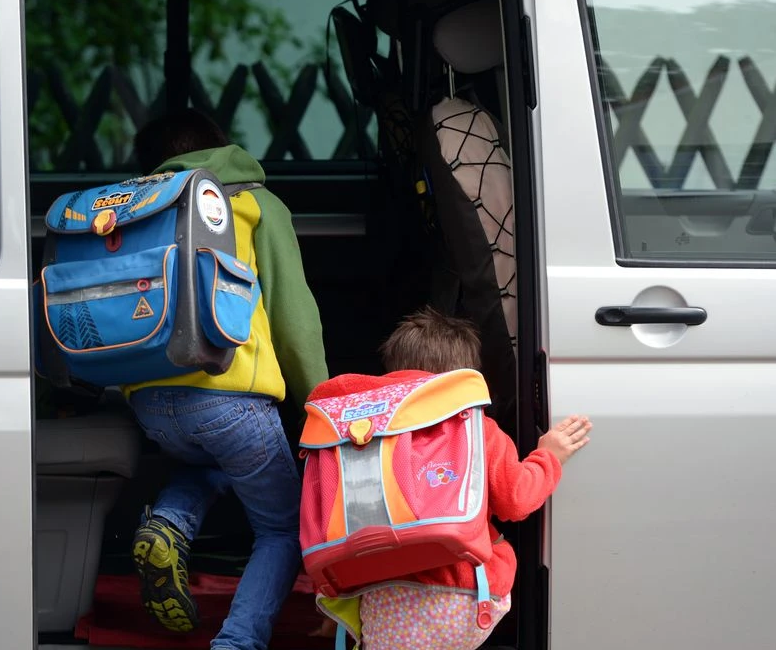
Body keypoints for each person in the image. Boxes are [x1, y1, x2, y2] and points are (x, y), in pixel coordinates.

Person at [124, 108, 329, 650]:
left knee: (215, 463)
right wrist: (322, 403)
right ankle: (238, 641)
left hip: (150, 404)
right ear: (224, 147)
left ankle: (168, 522)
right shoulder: (251, 203)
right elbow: (293, 315)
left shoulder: (132, 207)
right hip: (230, 399)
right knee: (281, 529)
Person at [307, 307, 591, 650]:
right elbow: (516, 499)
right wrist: (549, 455)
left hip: (380, 603)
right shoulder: (475, 430)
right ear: (462, 378)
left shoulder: (358, 436)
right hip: (463, 596)